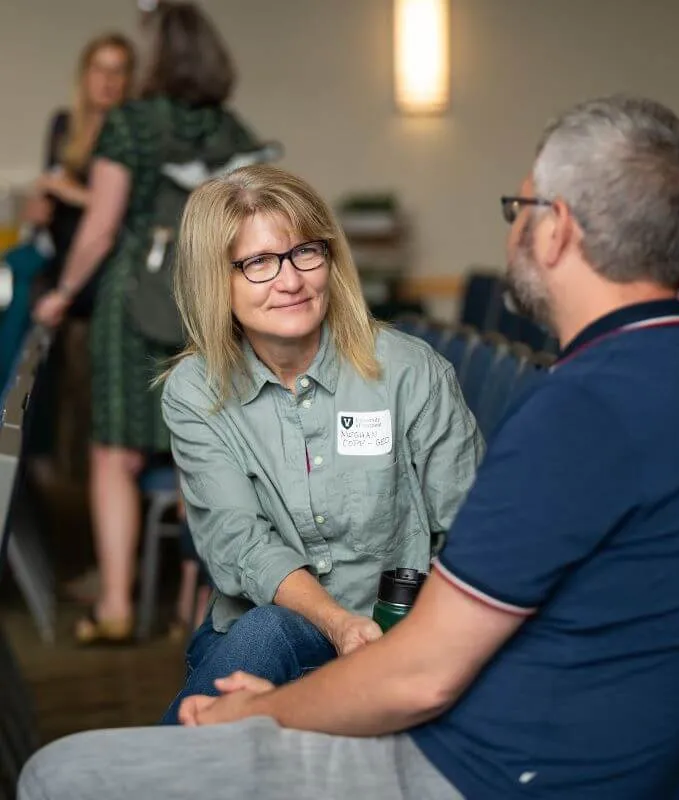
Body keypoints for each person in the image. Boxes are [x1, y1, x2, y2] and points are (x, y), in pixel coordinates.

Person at [18, 95, 679, 800]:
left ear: (556, 227)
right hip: (495, 734)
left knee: (59, 773)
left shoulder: (581, 412)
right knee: (260, 637)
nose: (511, 230)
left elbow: (421, 676)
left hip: (474, 764)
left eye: (520, 208)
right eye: (258, 264)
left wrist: (263, 714)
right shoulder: (678, 385)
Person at [158, 164, 483, 723]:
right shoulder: (196, 391)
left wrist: (410, 644)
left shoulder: (409, 373)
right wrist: (337, 622)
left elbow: (471, 530)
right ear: (218, 279)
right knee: (270, 628)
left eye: (306, 252)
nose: (291, 281)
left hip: (396, 644)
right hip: (270, 641)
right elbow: (239, 542)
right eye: (259, 263)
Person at [32, 2, 262, 644]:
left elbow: (101, 227)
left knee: (115, 454)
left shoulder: (129, 124)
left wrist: (64, 292)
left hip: (132, 302)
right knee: (202, 457)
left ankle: (115, 605)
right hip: (208, 302)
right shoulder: (231, 129)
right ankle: (195, 609)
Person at [23, 33, 135, 494]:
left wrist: (75, 194)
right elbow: (52, 213)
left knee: (92, 418)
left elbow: (122, 214)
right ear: (84, 75)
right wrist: (38, 209)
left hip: (102, 289)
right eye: (99, 69)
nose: (107, 81)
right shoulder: (64, 127)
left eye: (118, 70)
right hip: (60, 283)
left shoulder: (130, 133)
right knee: (46, 408)